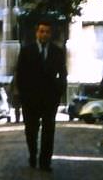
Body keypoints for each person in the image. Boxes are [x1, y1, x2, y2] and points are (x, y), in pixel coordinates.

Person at [15, 19, 67, 172]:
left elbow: (63, 74)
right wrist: (23, 95)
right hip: (30, 99)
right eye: (42, 31)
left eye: (47, 32)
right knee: (31, 130)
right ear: (37, 33)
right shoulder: (26, 50)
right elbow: (20, 74)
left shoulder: (57, 52)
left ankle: (45, 161)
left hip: (50, 99)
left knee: (48, 130)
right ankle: (33, 153)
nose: (44, 34)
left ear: (50, 34)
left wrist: (59, 93)